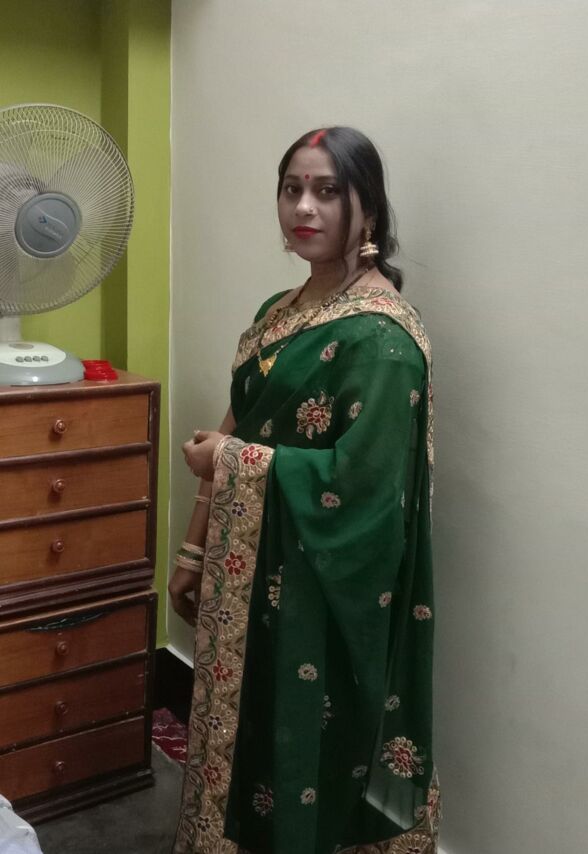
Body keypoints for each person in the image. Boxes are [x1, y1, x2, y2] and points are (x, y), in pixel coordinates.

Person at [170, 126, 441, 854]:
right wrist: (194, 549)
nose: (304, 207)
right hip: (245, 574)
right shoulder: (279, 308)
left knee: (304, 757)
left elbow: (365, 486)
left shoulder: (383, 340)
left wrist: (230, 460)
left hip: (318, 593)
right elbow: (239, 420)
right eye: (292, 189)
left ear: (368, 211)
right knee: (243, 744)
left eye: (326, 191)